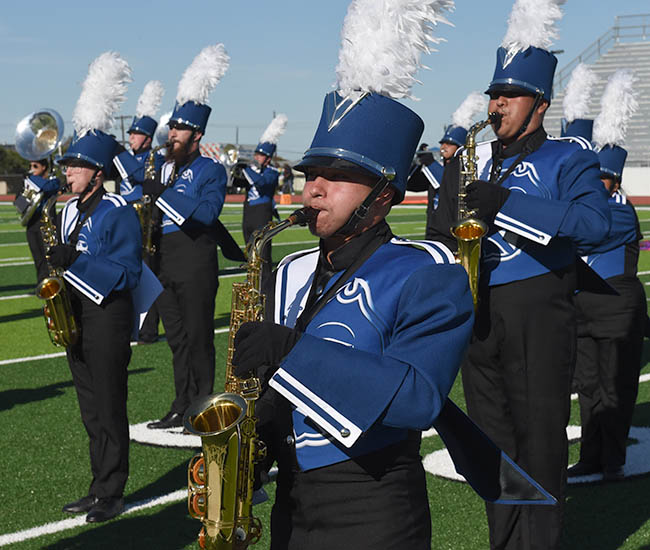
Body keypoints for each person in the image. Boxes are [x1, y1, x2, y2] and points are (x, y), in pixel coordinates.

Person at [231, 2, 472, 548]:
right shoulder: (290, 271)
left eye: (337, 177)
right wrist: (244, 451)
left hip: (374, 502)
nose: (313, 188)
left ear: (383, 196)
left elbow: (418, 399)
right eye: (312, 173)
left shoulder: (427, 271)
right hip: (291, 503)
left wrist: (289, 351)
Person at [428, 1, 612, 547]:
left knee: (539, 448)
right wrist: (450, 180)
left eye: (508, 95)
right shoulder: (476, 157)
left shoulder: (567, 158)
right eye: (492, 94)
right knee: (492, 450)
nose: (496, 103)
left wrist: (506, 204)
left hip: (538, 315)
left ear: (541, 104)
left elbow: (596, 225)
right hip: (478, 319)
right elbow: (444, 233)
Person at [51, 52, 142, 523]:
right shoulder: (67, 211)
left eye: (76, 166)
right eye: (68, 165)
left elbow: (126, 271)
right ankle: (96, 484)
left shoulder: (118, 213)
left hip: (107, 316)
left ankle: (113, 491)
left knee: (109, 406)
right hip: (76, 316)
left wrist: (77, 261)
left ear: (97, 173)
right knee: (89, 409)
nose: (67, 172)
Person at [146, 44, 229, 430]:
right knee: (176, 340)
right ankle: (180, 404)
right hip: (162, 258)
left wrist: (165, 194)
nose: (171, 134)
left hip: (195, 256)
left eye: (178, 129)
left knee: (198, 338)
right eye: (172, 128)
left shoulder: (211, 170)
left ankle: (203, 407)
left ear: (196, 134)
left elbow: (209, 212)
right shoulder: (163, 169)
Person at [569, 69, 646, 481]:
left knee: (616, 388)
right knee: (588, 387)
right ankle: (591, 454)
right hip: (584, 305)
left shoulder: (619, 210)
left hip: (618, 304)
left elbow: (584, 234)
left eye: (598, 177)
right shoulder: (593, 204)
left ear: (612, 179)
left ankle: (612, 459)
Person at [113, 80, 165, 344]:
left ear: (146, 137)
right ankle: (132, 323)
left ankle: (149, 330)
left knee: (147, 275)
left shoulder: (152, 160)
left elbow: (137, 176)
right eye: (131, 133)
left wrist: (117, 152)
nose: (130, 137)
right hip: (125, 221)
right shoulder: (130, 157)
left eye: (135, 134)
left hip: (144, 224)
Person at [408, 91, 487, 239]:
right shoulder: (437, 168)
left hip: (453, 235)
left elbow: (446, 184)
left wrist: (430, 164)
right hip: (433, 232)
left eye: (450, 144)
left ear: (460, 147)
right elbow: (413, 185)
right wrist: (417, 164)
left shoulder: (464, 169)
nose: (444, 146)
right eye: (443, 142)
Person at [242, 114, 287, 284]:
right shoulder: (251, 171)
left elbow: (261, 183)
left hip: (262, 214)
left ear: (267, 158)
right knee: (250, 253)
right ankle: (252, 285)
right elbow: (237, 180)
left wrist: (246, 168)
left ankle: (266, 287)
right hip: (248, 214)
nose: (256, 157)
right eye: (256, 153)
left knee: (263, 255)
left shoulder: (272, 172)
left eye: (260, 155)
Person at [18, 158, 61, 281]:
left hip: (47, 223)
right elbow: (18, 202)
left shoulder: (53, 182)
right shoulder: (28, 183)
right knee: (38, 258)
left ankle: (54, 283)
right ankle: (42, 283)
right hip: (32, 224)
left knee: (49, 257)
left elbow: (48, 187)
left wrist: (30, 179)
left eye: (35, 166)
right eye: (30, 165)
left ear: (44, 167)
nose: (31, 169)